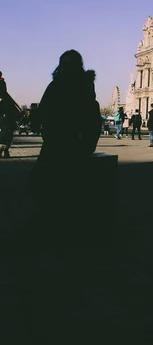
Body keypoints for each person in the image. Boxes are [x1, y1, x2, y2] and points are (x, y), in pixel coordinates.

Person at [29, 50, 102, 220]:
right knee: (50, 181)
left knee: (59, 182)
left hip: (71, 141)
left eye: (70, 64)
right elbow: (45, 109)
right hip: (58, 140)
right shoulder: (72, 84)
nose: (67, 68)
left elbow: (90, 116)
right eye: (65, 64)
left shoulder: (73, 85)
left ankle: (59, 216)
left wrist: (87, 142)